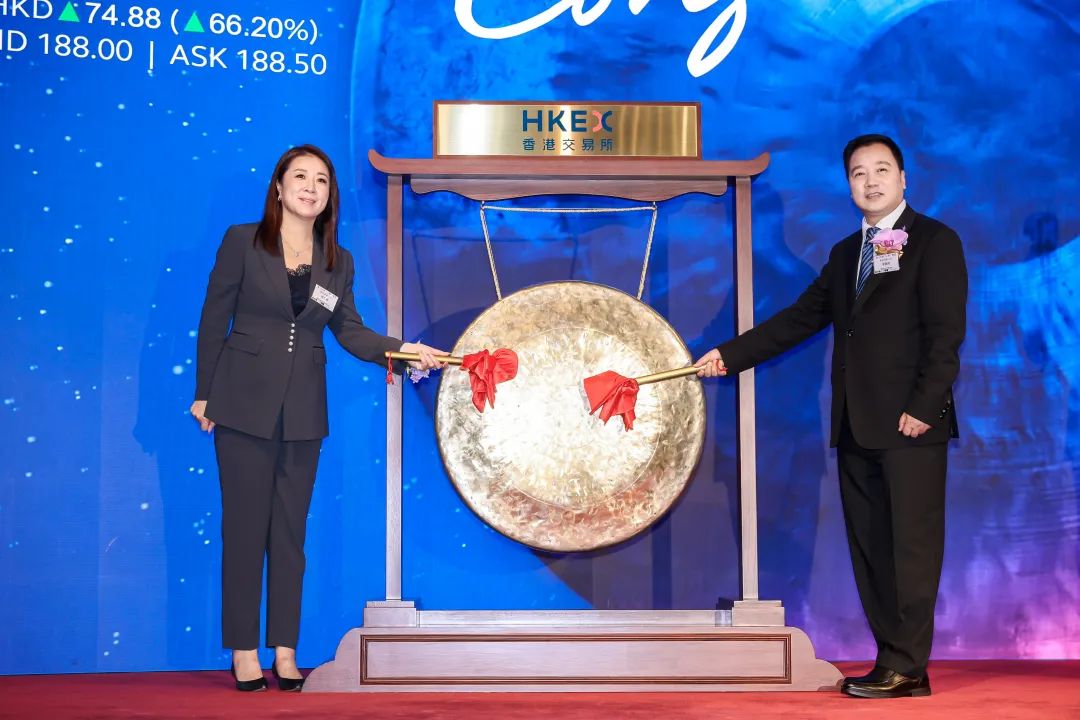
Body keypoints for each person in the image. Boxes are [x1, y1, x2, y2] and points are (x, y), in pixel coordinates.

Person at [695, 134, 967, 699]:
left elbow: (946, 336)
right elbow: (799, 319)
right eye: (859, 173)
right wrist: (730, 355)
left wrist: (924, 405)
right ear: (848, 185)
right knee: (871, 549)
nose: (871, 181)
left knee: (912, 549)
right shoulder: (847, 255)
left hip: (910, 425)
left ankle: (907, 663)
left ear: (903, 178)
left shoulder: (935, 241)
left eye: (882, 170)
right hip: (855, 423)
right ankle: (896, 662)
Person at [190, 144, 444, 692]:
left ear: (330, 195)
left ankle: (285, 650)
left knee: (290, 536)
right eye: (300, 177)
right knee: (244, 532)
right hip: (241, 404)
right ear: (279, 187)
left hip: (304, 411)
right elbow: (214, 318)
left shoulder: (337, 260)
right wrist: (204, 394)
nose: (311, 187)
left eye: (322, 180)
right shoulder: (242, 241)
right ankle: (243, 650)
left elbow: (350, 331)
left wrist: (404, 351)